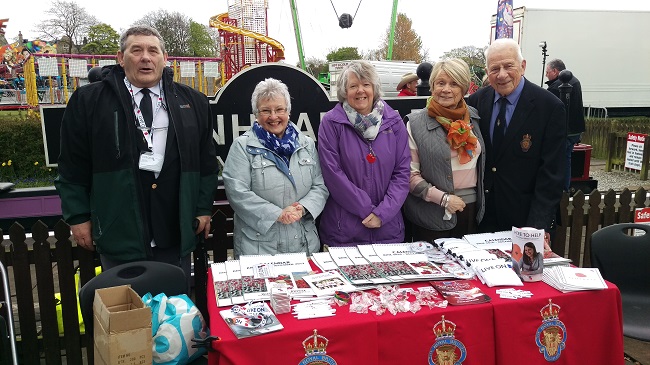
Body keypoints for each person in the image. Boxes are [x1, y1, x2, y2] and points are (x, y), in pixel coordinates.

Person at [55, 26, 218, 286]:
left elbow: (207, 164)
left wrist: (201, 209)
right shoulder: (89, 101)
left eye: (153, 51)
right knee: (127, 317)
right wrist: (78, 217)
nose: (146, 57)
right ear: (121, 58)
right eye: (137, 50)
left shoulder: (193, 102)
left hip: (174, 230)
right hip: (119, 232)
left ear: (165, 58)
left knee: (174, 316)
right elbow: (72, 166)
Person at [467, 38, 565, 234]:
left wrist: (537, 227)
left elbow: (552, 174)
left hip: (527, 219)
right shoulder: (477, 101)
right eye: (494, 69)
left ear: (523, 66)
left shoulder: (549, 107)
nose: (502, 75)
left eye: (508, 66)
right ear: (487, 73)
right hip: (484, 219)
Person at [222, 78, 328, 257]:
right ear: (256, 113)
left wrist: (302, 208)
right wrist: (277, 214)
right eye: (265, 110)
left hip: (303, 244)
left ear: (288, 111)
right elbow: (237, 192)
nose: (273, 116)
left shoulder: (307, 144)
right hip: (259, 248)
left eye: (279, 109)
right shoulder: (242, 147)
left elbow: (320, 185)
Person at [318, 60, 410, 247]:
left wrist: (382, 214)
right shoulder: (331, 123)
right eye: (353, 86)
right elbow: (332, 174)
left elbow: (402, 173)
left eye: (366, 84)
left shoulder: (394, 122)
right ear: (344, 91)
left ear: (374, 88)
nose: (360, 90)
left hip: (388, 229)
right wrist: (366, 210)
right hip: (344, 230)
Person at [403, 58, 485, 241]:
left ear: (464, 88)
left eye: (454, 83)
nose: (446, 89)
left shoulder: (474, 118)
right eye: (440, 83)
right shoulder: (415, 124)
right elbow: (409, 175)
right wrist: (444, 199)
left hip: (471, 212)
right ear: (432, 86)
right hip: (431, 215)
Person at [545, 59, 585, 192]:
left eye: (548, 72)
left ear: (555, 71)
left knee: (557, 159)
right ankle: (565, 188)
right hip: (575, 129)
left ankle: (559, 188)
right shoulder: (576, 81)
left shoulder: (556, 87)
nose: (546, 75)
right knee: (566, 158)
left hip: (564, 131)